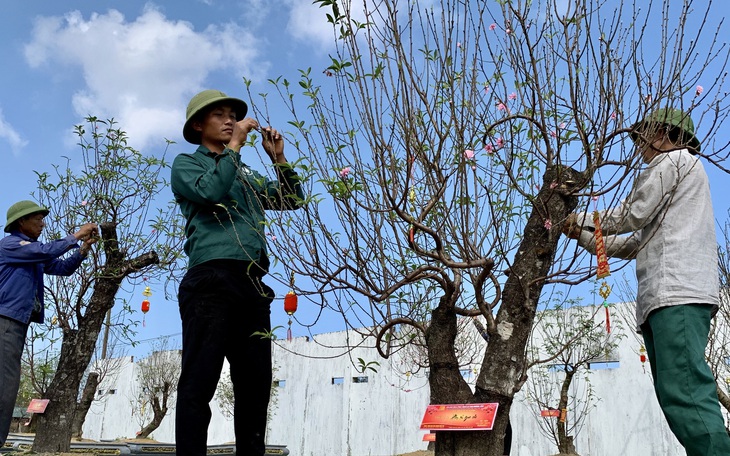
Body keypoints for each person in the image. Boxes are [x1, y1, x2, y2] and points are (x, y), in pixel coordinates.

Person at [563, 107, 730, 455]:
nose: (640, 148)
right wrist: (581, 233)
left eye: (642, 139)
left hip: (676, 293)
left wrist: (579, 216)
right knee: (676, 393)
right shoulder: (680, 178)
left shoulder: (675, 162)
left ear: (662, 134)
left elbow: (631, 214)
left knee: (685, 391)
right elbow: (633, 243)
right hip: (668, 294)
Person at [171, 89, 305, 456]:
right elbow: (211, 191)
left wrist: (278, 159)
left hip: (251, 283)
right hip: (210, 280)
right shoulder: (187, 164)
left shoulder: (243, 171)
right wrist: (235, 149)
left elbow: (291, 200)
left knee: (256, 386)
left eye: (233, 114)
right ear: (199, 125)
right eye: (219, 115)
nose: (230, 120)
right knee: (200, 381)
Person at [0, 200, 98, 447]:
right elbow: (45, 252)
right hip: (5, 320)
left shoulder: (30, 252)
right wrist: (76, 235)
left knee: (6, 383)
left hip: (15, 323)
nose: (42, 224)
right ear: (21, 222)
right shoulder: (12, 245)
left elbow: (61, 268)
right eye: (37, 219)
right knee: (5, 384)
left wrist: (83, 249)